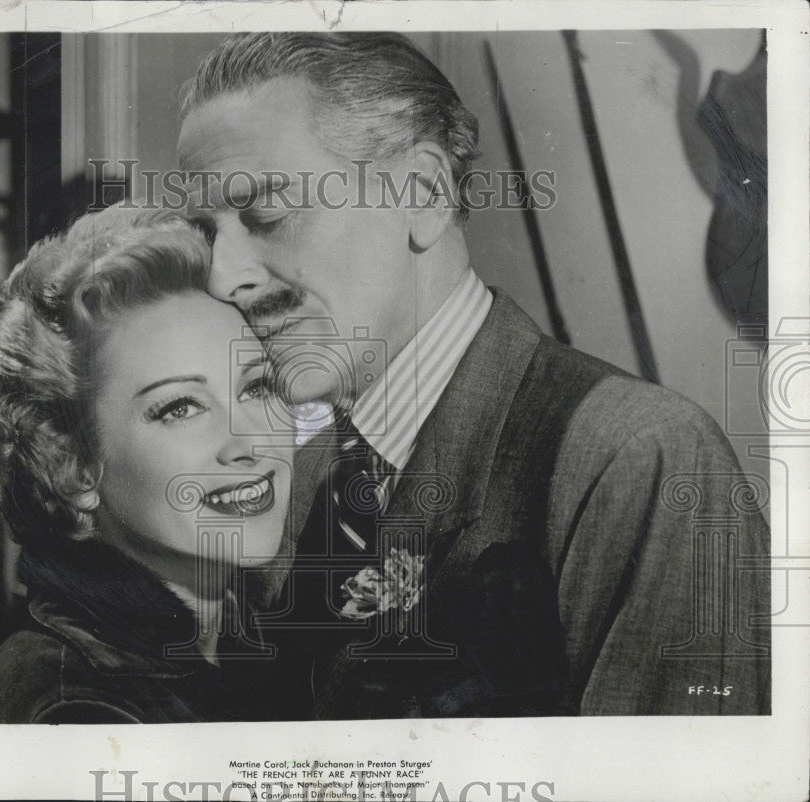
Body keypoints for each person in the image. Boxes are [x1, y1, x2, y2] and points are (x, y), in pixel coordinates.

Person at [176, 32, 771, 716]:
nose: (224, 278)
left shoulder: (640, 460)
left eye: (268, 213)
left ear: (423, 193)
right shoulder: (298, 486)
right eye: (208, 233)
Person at [0, 206, 294, 723]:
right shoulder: (71, 704)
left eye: (256, 386)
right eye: (180, 407)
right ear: (72, 467)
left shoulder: (243, 642)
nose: (251, 439)